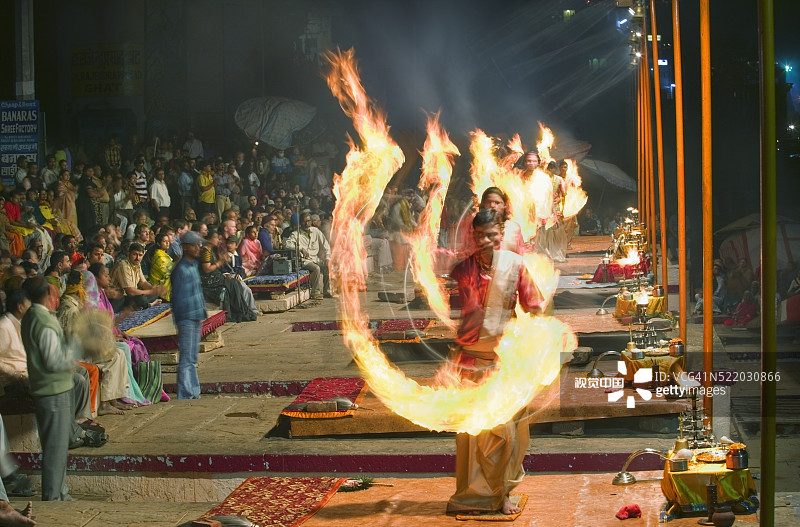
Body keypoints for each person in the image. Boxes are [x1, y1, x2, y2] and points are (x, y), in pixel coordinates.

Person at [445, 209, 544, 516]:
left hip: (502, 362)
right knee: (472, 435)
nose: (486, 241)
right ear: (472, 237)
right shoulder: (464, 269)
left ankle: (500, 495)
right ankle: (472, 494)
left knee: (503, 435)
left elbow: (535, 305)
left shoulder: (514, 267)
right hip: (470, 361)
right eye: (480, 236)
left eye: (492, 234)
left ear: (502, 232)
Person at [21, 277, 90, 501]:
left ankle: (60, 493)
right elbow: (53, 360)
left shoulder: (32, 316)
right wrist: (75, 347)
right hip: (52, 391)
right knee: (55, 449)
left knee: (57, 447)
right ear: (50, 294)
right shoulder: (43, 321)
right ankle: (53, 497)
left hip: (47, 389)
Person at [171, 230, 207, 399]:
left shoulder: (193, 266)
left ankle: (193, 390)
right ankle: (185, 392)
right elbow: (177, 297)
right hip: (186, 317)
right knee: (186, 357)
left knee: (192, 356)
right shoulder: (180, 269)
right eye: (195, 245)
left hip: (196, 314)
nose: (199, 247)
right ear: (186, 247)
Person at [284, 212, 330, 300]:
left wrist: (327, 257)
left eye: (308, 221)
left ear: (311, 222)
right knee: (316, 268)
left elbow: (326, 245)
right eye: (304, 221)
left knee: (328, 265)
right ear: (300, 223)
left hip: (315, 259)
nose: (306, 223)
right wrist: (300, 248)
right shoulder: (296, 234)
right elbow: (286, 244)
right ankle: (315, 292)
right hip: (304, 261)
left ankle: (327, 291)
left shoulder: (316, 231)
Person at [110, 243, 167, 310]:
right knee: (139, 298)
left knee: (153, 294)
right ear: (129, 254)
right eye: (135, 254)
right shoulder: (123, 265)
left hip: (131, 296)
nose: (137, 258)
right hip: (118, 297)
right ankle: (149, 304)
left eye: (140, 255)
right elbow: (130, 291)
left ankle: (139, 305)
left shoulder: (137, 264)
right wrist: (150, 291)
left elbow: (143, 283)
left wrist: (155, 290)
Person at [148, 232, 174, 301]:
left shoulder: (163, 254)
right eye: (164, 241)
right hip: (159, 285)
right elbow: (169, 272)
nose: (167, 243)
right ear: (159, 243)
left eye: (168, 241)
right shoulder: (159, 256)